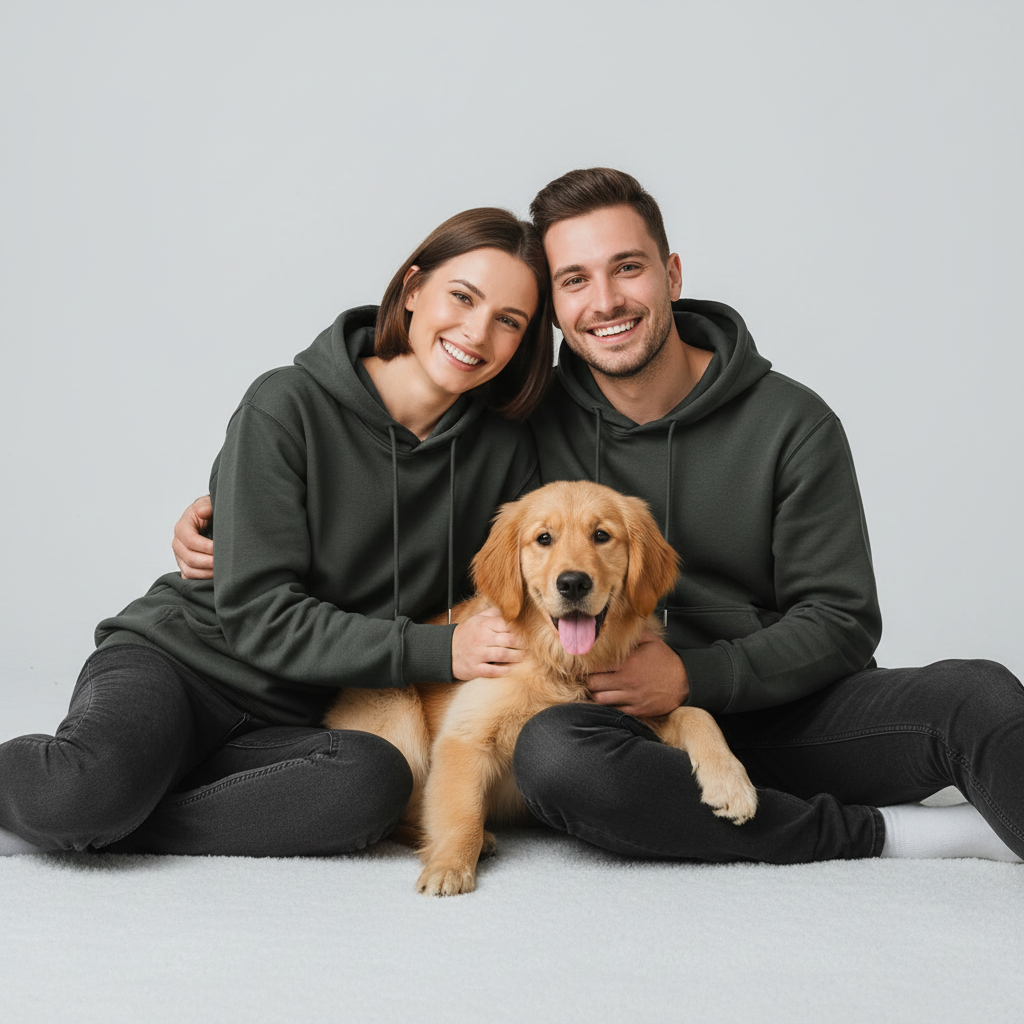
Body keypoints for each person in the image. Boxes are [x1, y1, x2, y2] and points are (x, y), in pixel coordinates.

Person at [171, 169, 1023, 866]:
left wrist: (694, 678)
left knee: (976, 696)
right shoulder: (521, 424)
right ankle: (883, 837)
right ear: (553, 310)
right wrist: (227, 518)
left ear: (672, 275)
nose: (605, 300)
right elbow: (402, 479)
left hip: (782, 713)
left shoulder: (792, 423)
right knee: (557, 757)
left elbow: (842, 620)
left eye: (628, 268)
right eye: (574, 281)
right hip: (606, 726)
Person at [0, 207, 553, 858]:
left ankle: (130, 815)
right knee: (80, 797)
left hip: (304, 717)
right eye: (462, 296)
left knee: (375, 780)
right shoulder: (286, 404)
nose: (477, 332)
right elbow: (260, 617)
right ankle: (104, 806)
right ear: (412, 290)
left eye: (509, 321)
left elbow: (522, 580)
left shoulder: (507, 455)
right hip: (182, 666)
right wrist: (441, 650)